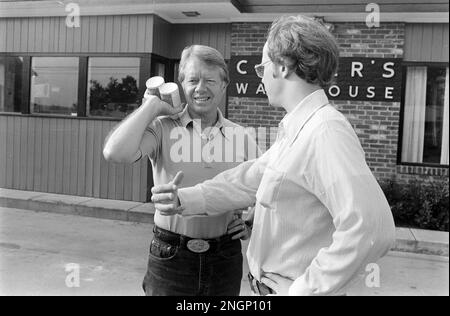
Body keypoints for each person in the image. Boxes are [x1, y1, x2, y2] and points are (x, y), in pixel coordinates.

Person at [150, 15, 396, 296]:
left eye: (262, 66)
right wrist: (185, 198)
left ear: (283, 66)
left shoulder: (326, 131)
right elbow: (249, 179)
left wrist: (304, 290)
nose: (261, 74)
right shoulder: (298, 128)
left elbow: (372, 229)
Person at [103, 45, 260, 296]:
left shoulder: (241, 136)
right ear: (181, 85)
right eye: (193, 80)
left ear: (224, 85)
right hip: (171, 257)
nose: (200, 88)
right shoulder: (162, 128)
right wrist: (152, 106)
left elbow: (264, 188)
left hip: (224, 258)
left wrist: (251, 221)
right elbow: (115, 152)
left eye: (210, 80)